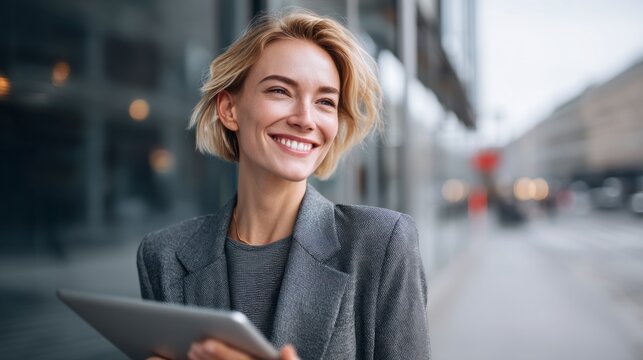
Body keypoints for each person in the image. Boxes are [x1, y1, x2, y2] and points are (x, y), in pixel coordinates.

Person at [137, 8, 430, 360]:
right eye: (280, 91)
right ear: (229, 109)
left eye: (325, 102)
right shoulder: (164, 256)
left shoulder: (381, 245)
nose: (306, 119)